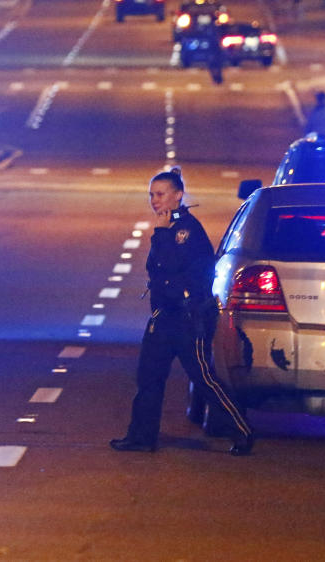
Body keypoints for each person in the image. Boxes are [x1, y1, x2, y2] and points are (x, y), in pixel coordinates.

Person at [111, 167, 255, 456]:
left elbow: (170, 265)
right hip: (163, 316)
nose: (155, 201)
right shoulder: (167, 228)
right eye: (151, 195)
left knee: (204, 379)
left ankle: (242, 431)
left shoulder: (185, 230)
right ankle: (141, 437)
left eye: (161, 194)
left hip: (189, 318)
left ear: (178, 196)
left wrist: (162, 234)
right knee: (149, 378)